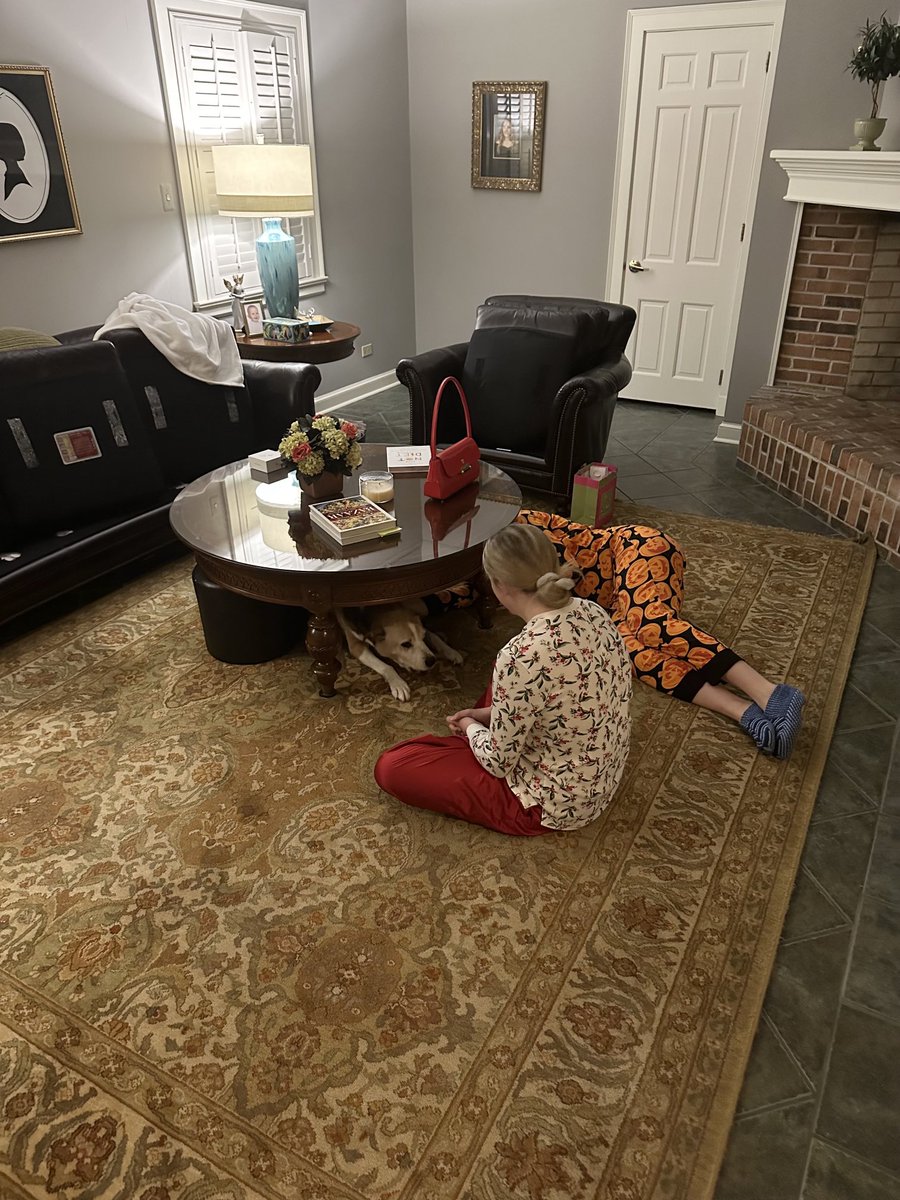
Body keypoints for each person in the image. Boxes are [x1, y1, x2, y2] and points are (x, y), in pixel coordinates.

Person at [374, 522, 633, 836]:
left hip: (549, 805)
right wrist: (486, 716)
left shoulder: (520, 656)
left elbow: (498, 763)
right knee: (502, 689)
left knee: (391, 767)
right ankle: (472, 737)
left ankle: (465, 742)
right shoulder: (592, 610)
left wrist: (471, 726)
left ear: (499, 586)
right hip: (599, 776)